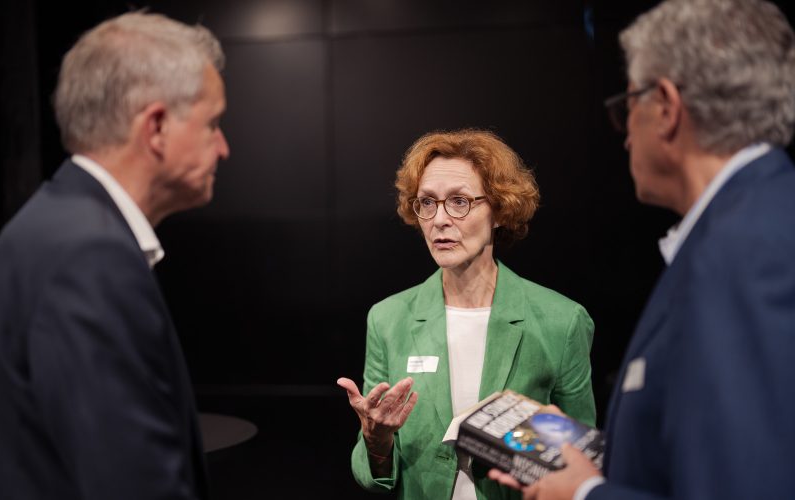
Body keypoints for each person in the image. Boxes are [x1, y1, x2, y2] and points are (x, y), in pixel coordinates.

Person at [489, 0, 795, 499]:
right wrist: (588, 454)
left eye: (626, 106)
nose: (626, 136)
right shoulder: (749, 227)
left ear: (668, 108)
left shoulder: (747, 254)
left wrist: (586, 495)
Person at [0, 12, 229, 500]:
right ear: (157, 127)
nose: (223, 148)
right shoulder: (91, 256)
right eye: (212, 124)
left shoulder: (50, 223)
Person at [337, 129, 596, 500]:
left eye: (459, 202)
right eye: (427, 203)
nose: (440, 219)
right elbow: (374, 474)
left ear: (499, 210)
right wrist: (375, 439)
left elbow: (583, 463)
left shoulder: (562, 320)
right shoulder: (388, 318)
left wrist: (530, 439)